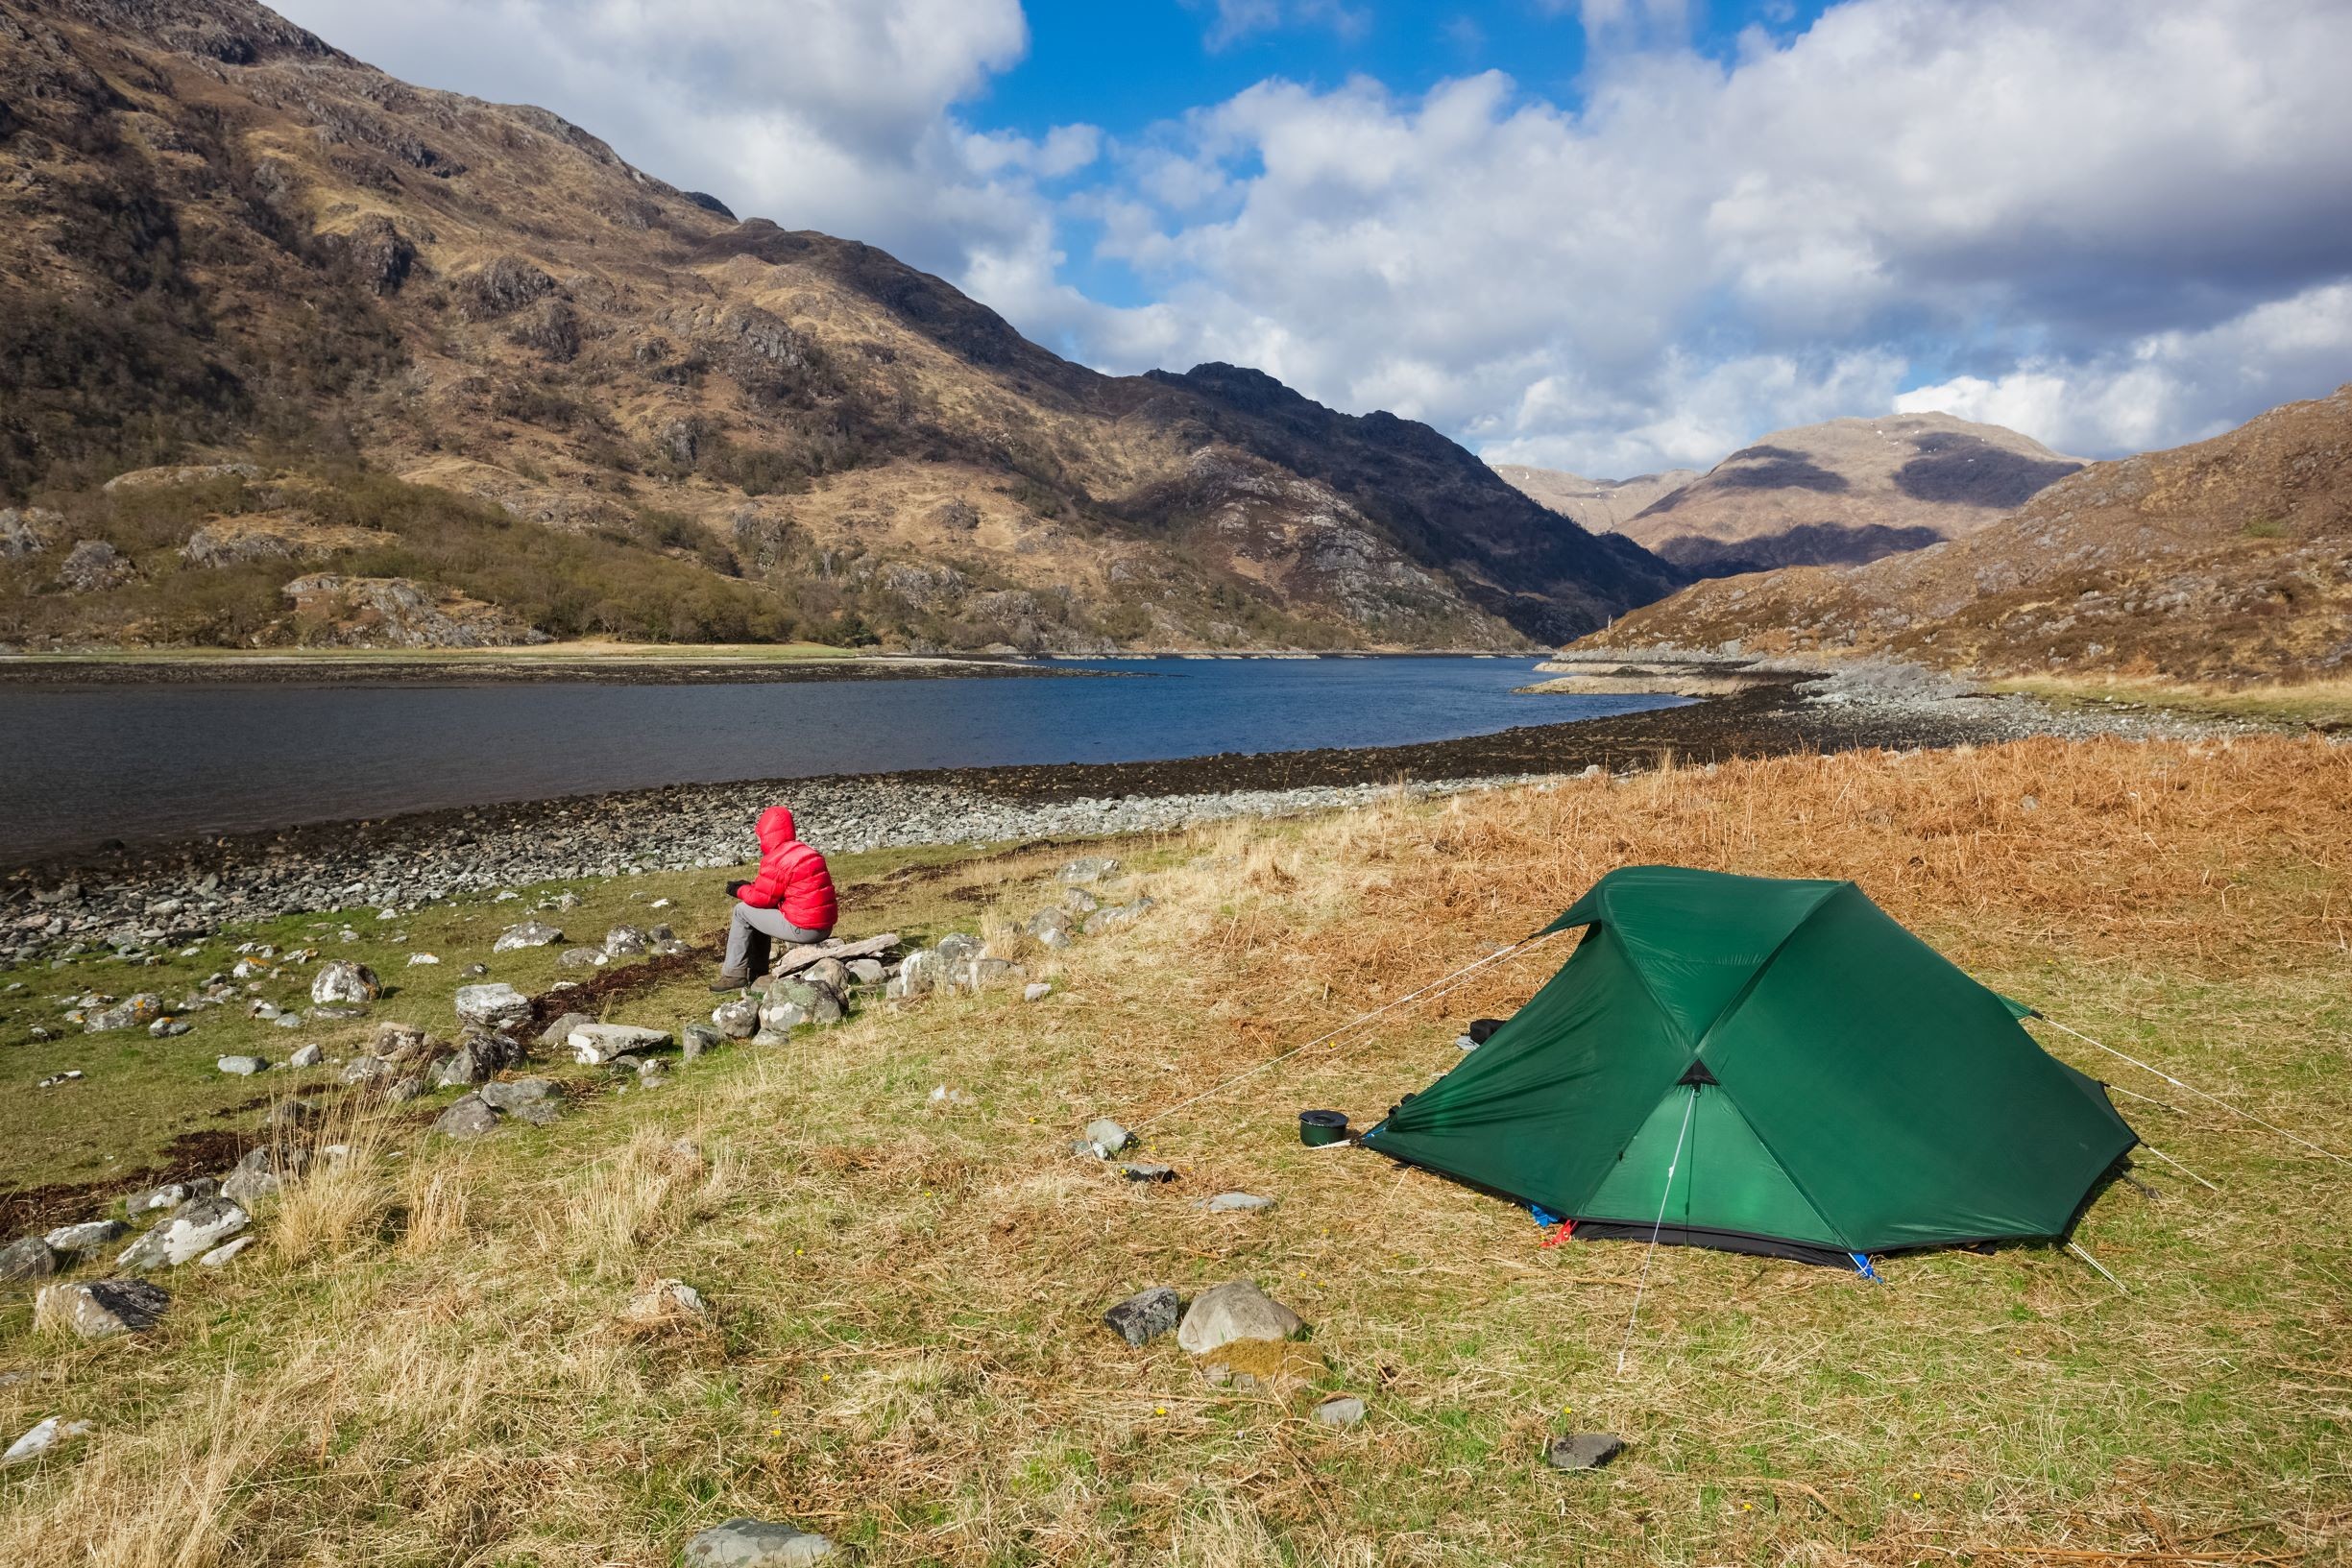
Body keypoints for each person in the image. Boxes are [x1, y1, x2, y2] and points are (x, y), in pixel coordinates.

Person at [715, 805, 838, 989]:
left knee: (742, 911)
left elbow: (761, 899)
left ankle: (734, 975)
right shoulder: (805, 852)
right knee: (756, 910)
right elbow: (775, 892)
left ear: (766, 833)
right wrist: (751, 887)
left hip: (804, 929)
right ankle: (758, 972)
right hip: (824, 927)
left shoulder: (777, 859)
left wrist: (738, 890)